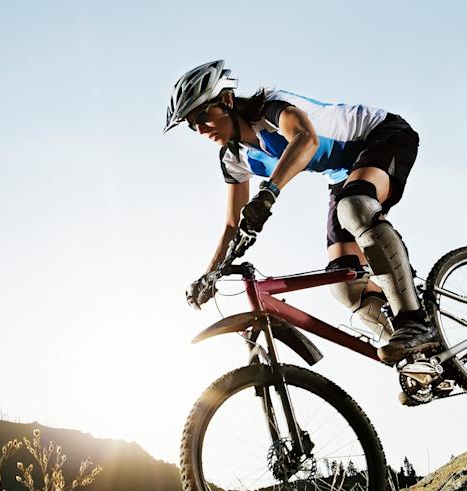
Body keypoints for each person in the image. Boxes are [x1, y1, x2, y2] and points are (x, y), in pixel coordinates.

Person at [166, 60, 438, 364]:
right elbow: (232, 223)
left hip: (383, 135)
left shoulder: (270, 108)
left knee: (356, 206)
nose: (200, 128)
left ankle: (413, 322)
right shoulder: (233, 158)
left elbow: (305, 139)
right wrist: (209, 275)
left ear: (227, 101)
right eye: (191, 124)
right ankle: (419, 359)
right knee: (345, 285)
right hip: (342, 175)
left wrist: (270, 191)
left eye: (202, 115)